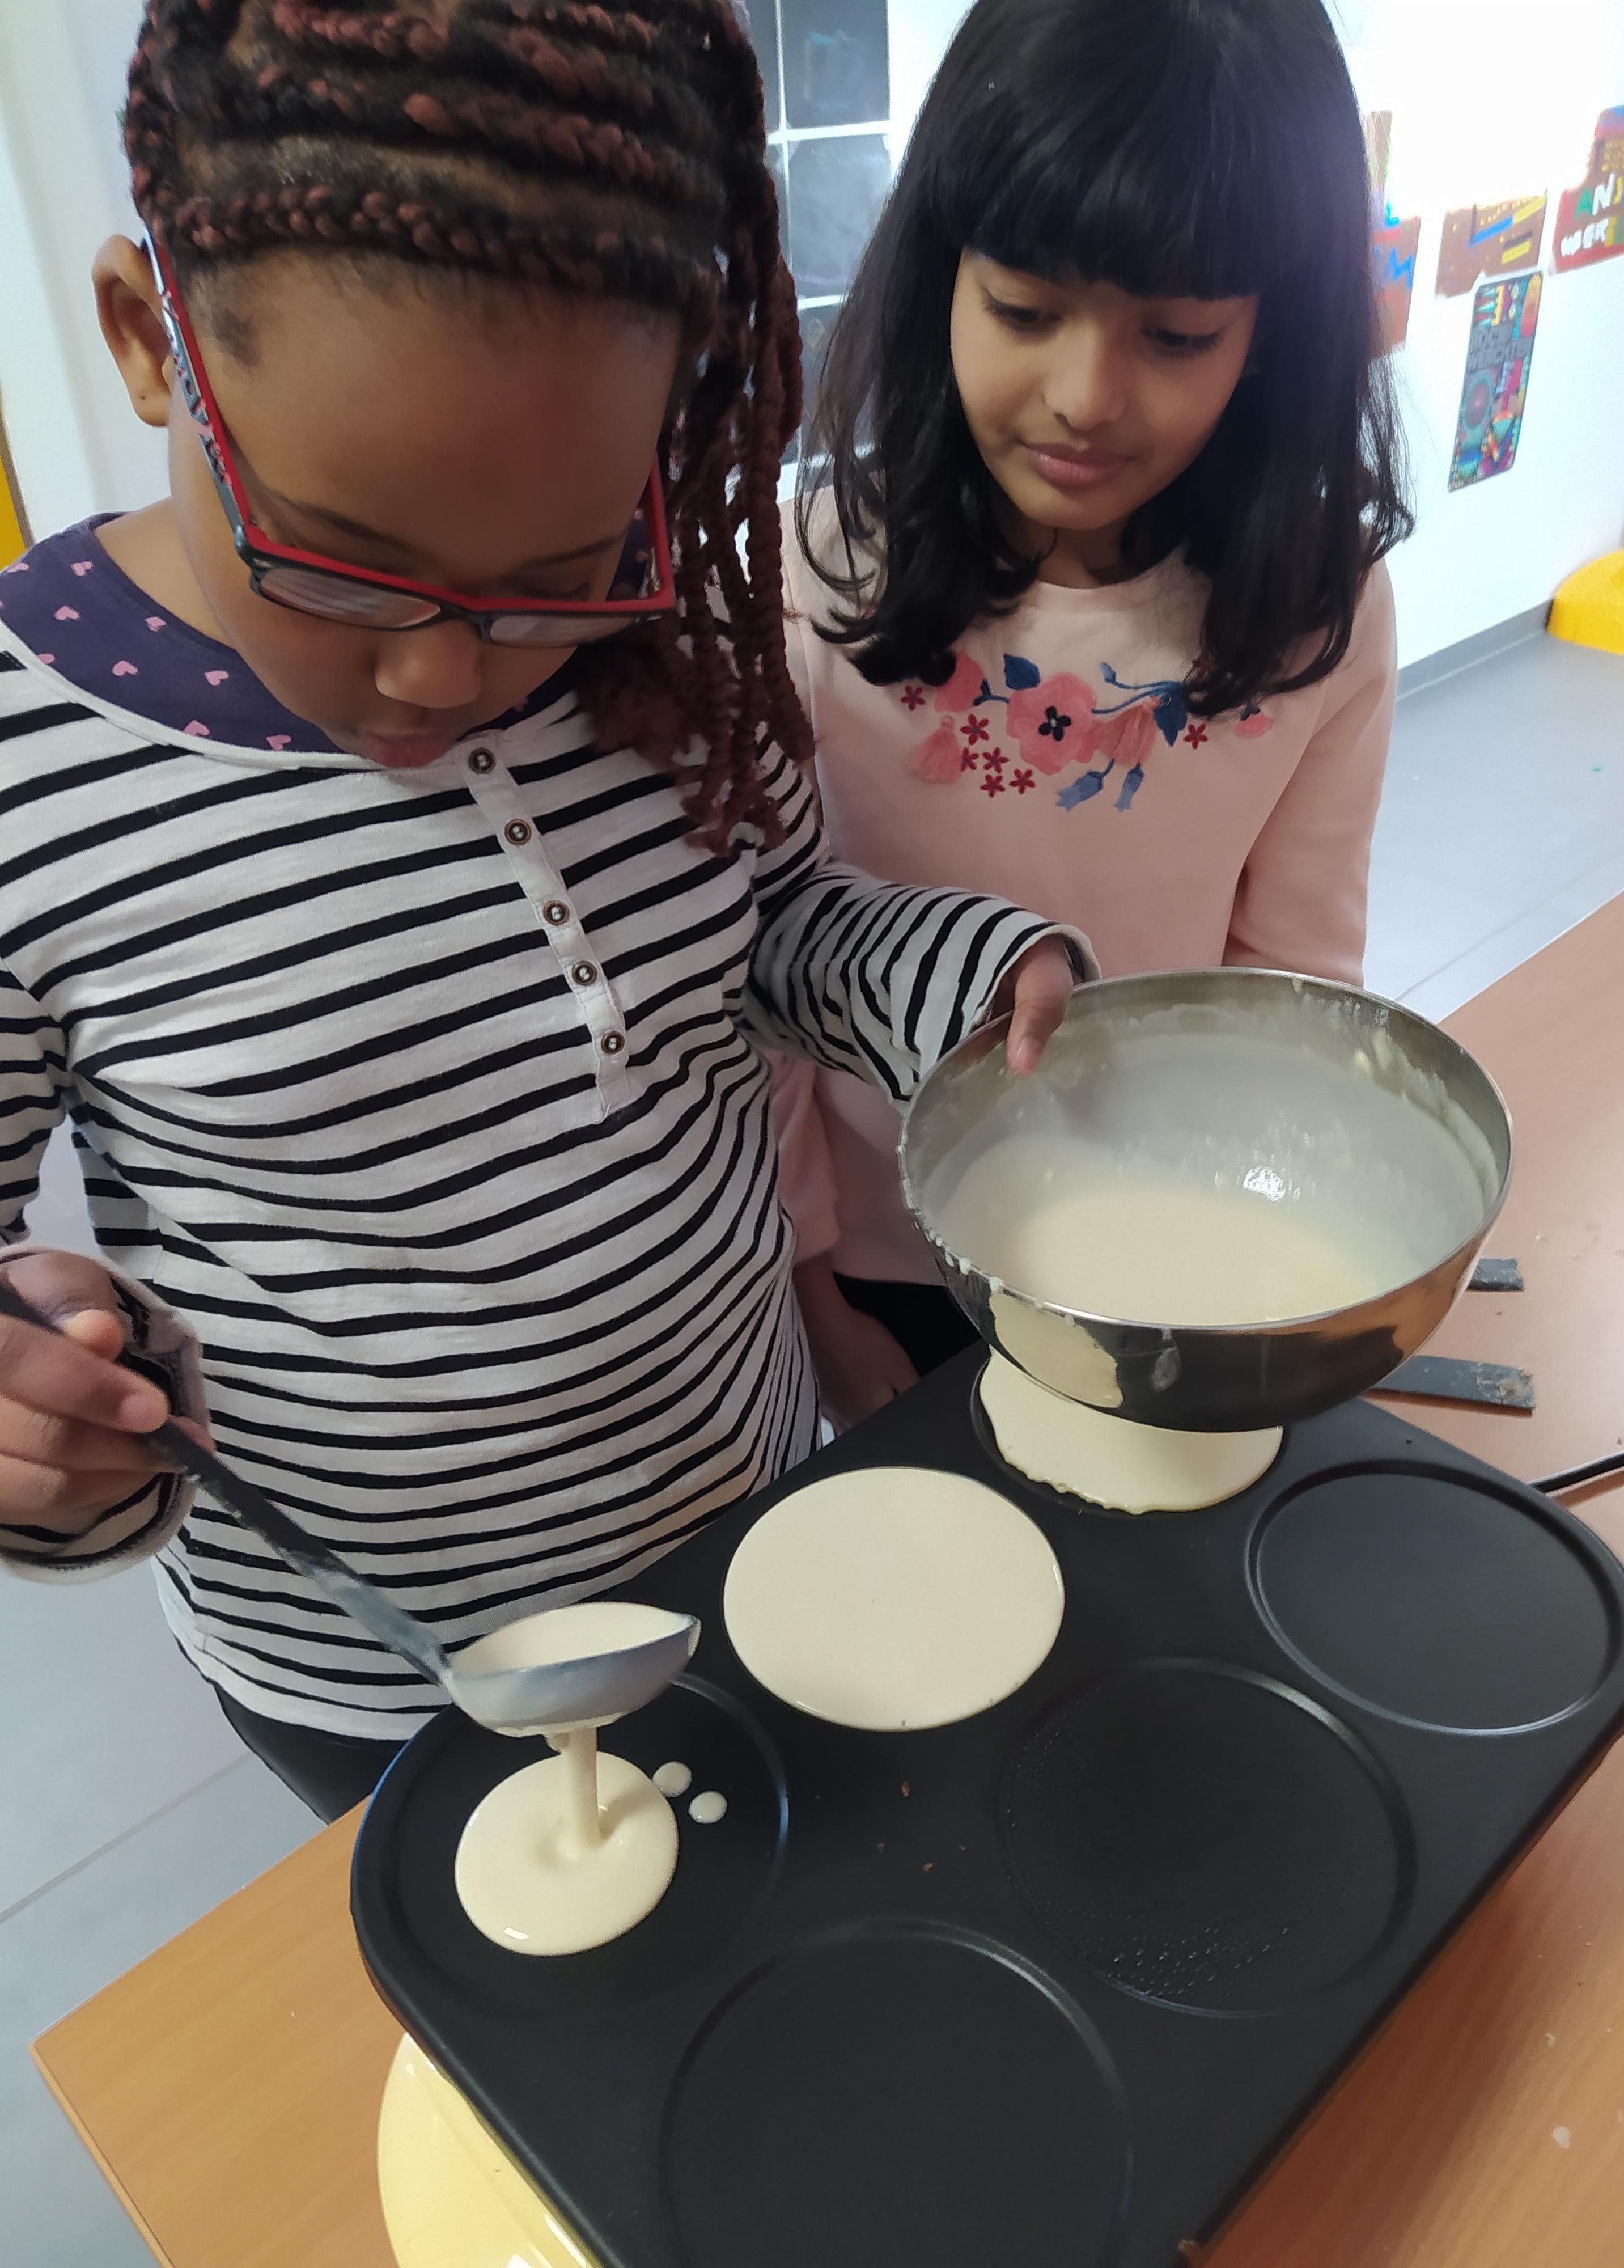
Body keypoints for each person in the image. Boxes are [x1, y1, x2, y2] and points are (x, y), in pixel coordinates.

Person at [0, 0, 1083, 1822]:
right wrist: (47, 1429)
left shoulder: (668, 644)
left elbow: (763, 938)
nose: (445, 675)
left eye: (552, 579)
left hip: (746, 1529)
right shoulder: (28, 770)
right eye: (344, 564)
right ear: (143, 339)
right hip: (381, 1665)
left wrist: (963, 972)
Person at [778, 0, 1410, 1427]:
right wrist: (808, 1279)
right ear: (943, 269)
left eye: (1177, 334)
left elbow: (1295, 982)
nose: (1083, 397)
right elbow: (764, 982)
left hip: (1160, 1236)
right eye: (1023, 309)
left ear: (1273, 331)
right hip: (882, 1246)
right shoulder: (818, 582)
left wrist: (1259, 1256)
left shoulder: (1319, 607)